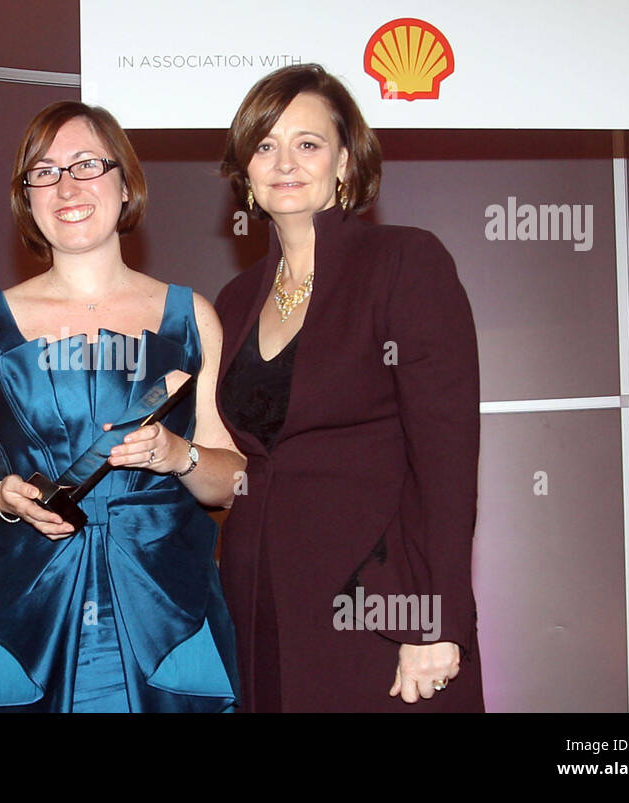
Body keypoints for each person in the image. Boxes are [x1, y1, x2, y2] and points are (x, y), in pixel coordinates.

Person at [0, 101, 244, 712]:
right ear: (27, 198)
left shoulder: (193, 318)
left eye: (86, 165)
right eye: (44, 172)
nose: (67, 186)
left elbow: (232, 481)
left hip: (167, 609)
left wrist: (179, 455)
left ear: (125, 182)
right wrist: (3, 498)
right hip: (25, 609)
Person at [214, 64, 484, 712]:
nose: (285, 162)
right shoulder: (233, 300)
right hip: (260, 603)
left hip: (379, 603)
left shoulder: (404, 262)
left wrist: (434, 619)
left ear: (344, 160)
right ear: (245, 170)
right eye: (266, 144)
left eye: (307, 143)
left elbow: (446, 460)